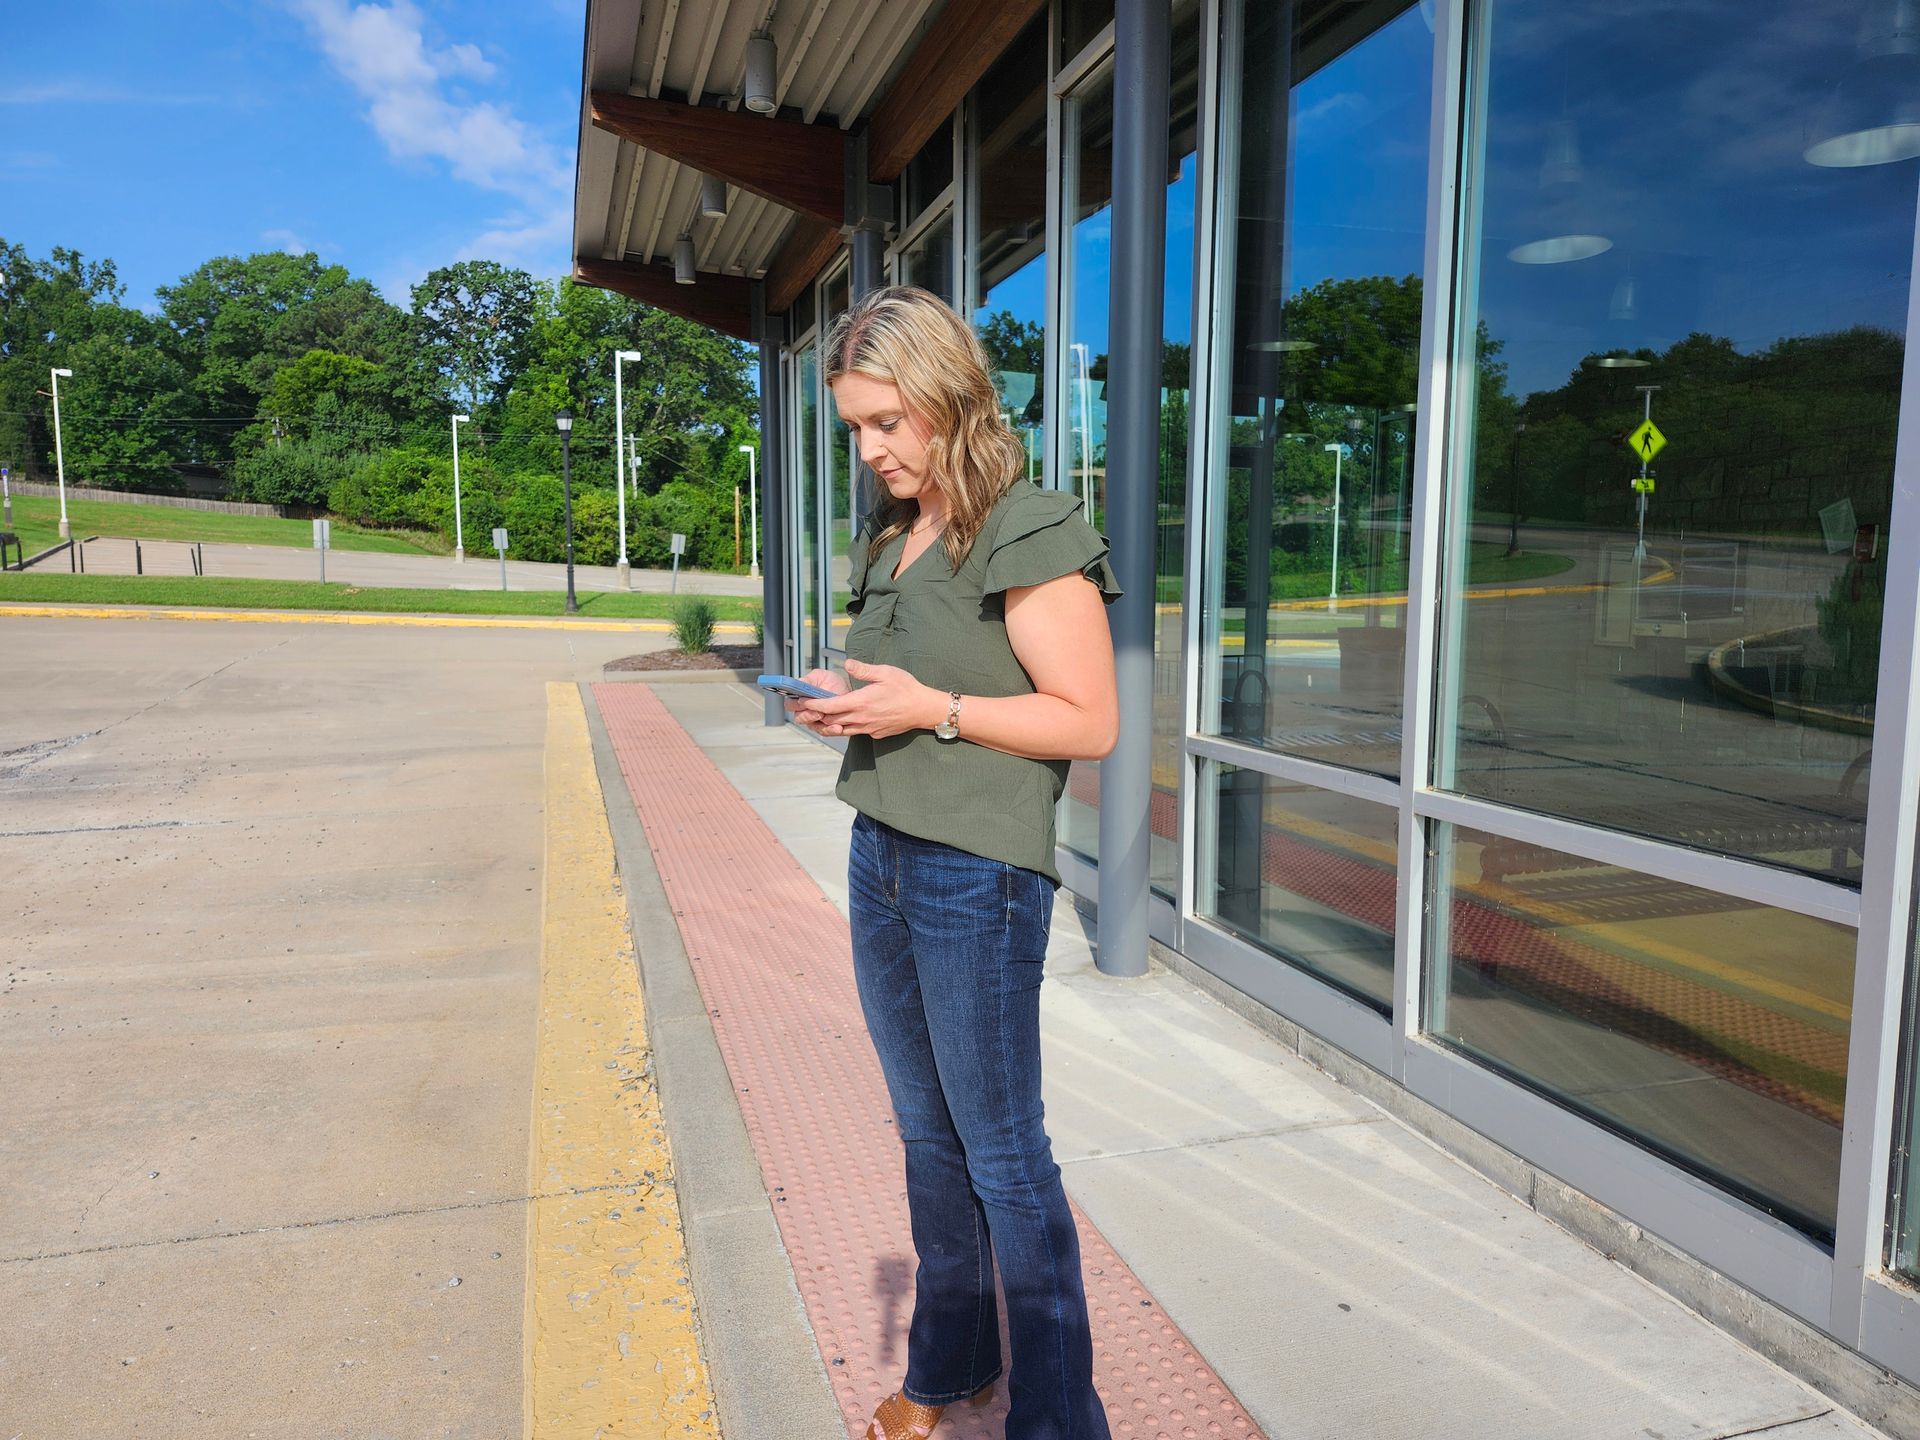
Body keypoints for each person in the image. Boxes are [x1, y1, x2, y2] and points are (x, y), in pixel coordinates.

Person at [788, 285, 1120, 1440]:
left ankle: (1060, 1423)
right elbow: (916, 691)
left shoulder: (1024, 528)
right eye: (856, 429)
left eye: (886, 422)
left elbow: (1088, 721)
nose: (871, 449)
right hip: (881, 850)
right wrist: (849, 704)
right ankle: (954, 1372)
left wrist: (930, 708)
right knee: (930, 1143)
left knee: (1005, 1160)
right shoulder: (901, 532)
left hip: (975, 876)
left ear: (947, 398)